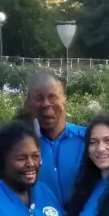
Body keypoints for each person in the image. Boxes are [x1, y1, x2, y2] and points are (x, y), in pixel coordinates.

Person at [23, 70, 86, 206]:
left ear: (64, 99)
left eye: (52, 97)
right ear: (29, 103)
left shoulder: (88, 140)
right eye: (39, 98)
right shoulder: (20, 147)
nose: (46, 104)